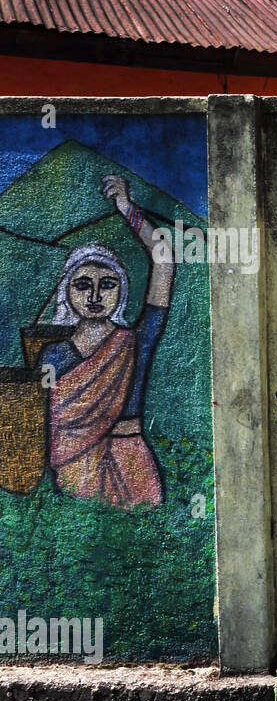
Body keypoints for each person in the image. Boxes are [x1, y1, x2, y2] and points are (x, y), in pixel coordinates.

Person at [37, 174, 175, 510]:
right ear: (67, 293)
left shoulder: (135, 341)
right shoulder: (52, 356)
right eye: (83, 285)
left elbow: (165, 261)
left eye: (108, 284)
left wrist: (126, 207)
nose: (96, 295)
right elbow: (41, 421)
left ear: (122, 292)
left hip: (132, 464)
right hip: (75, 470)